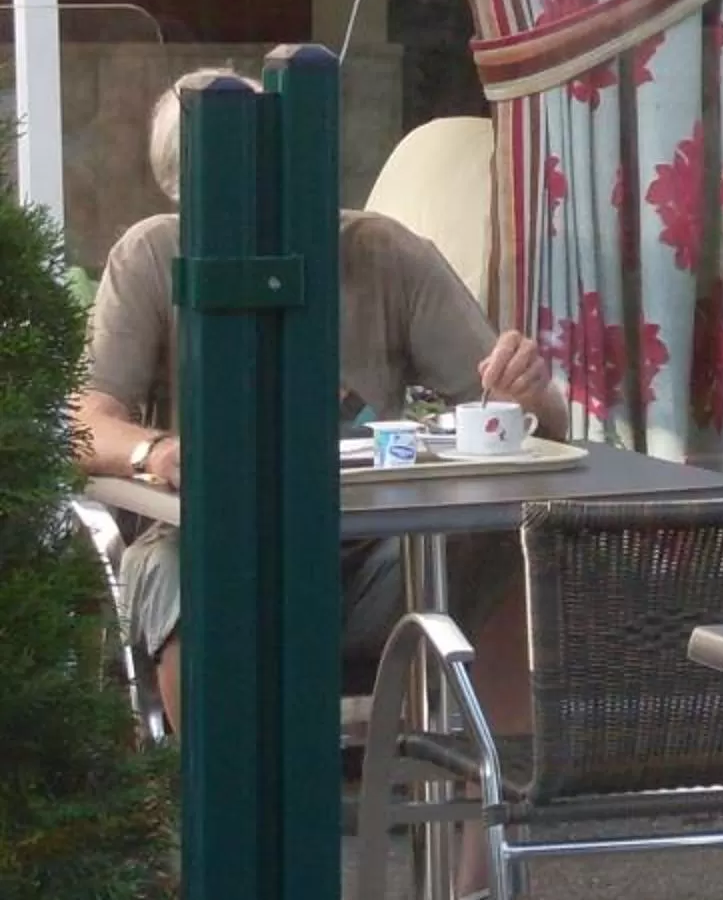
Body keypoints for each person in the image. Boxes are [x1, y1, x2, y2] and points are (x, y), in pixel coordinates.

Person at [74, 71, 569, 738]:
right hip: (212, 537)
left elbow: (527, 418)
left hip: (372, 546)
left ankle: (495, 821)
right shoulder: (152, 257)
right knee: (179, 575)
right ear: (182, 192)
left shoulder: (381, 252)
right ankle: (217, 824)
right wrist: (156, 450)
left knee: (511, 543)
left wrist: (527, 397)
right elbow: (84, 422)